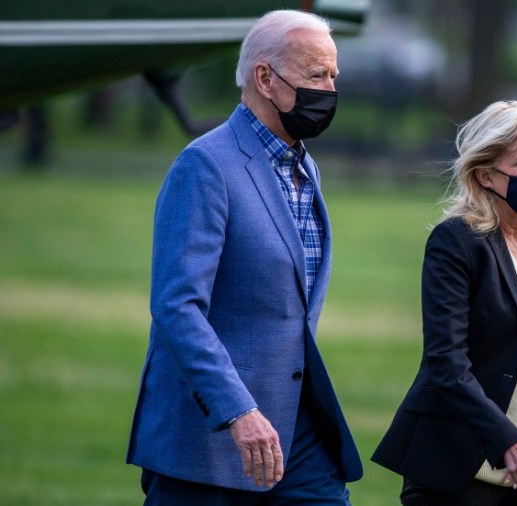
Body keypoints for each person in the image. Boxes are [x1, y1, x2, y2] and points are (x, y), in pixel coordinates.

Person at [126, 10, 362, 504]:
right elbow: (177, 307)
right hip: (212, 438)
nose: (330, 89)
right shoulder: (205, 166)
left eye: (333, 74)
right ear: (265, 79)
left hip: (298, 434)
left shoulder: (304, 167)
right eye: (316, 75)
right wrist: (238, 411)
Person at [372, 99, 517, 505]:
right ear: (486, 175)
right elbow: (447, 363)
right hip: (457, 473)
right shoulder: (456, 242)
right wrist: (508, 442)